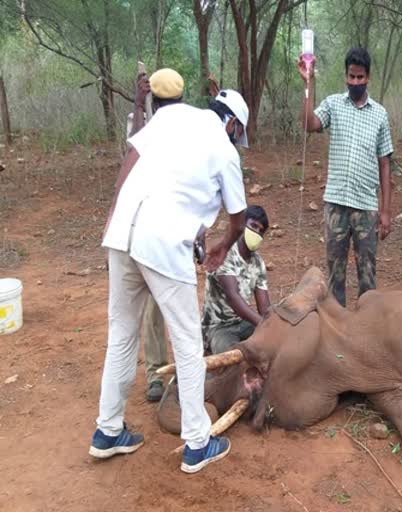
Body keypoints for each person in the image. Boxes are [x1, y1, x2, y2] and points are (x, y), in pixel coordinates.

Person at [90, 68, 250, 474]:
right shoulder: (224, 148)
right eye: (239, 133)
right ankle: (199, 443)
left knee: (121, 335)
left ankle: (107, 432)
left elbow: (138, 161)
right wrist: (220, 248)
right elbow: (238, 217)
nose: (237, 141)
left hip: (124, 233)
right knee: (188, 342)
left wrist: (114, 212)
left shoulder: (171, 116)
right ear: (232, 123)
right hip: (161, 243)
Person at [298, 47, 394, 307]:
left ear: (368, 78)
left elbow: (385, 163)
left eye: (360, 77)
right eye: (351, 77)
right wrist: (308, 85)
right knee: (335, 273)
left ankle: (366, 327)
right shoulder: (333, 104)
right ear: (345, 76)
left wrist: (385, 211)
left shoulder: (380, 114)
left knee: (367, 273)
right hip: (336, 203)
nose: (355, 82)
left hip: (366, 206)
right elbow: (309, 124)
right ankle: (338, 327)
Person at [127, 71, 169, 403]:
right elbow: (135, 151)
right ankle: (155, 373)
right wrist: (138, 106)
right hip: (140, 225)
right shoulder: (138, 120)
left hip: (167, 225)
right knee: (144, 308)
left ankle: (167, 371)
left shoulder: (178, 128)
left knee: (166, 304)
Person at [201, 205, 271, 354]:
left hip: (242, 323)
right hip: (217, 327)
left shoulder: (258, 263)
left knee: (271, 347)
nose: (256, 233)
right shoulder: (224, 254)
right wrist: (264, 326)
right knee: (232, 357)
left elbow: (265, 308)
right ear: (242, 225)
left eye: (261, 231)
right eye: (253, 226)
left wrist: (272, 328)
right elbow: (233, 297)